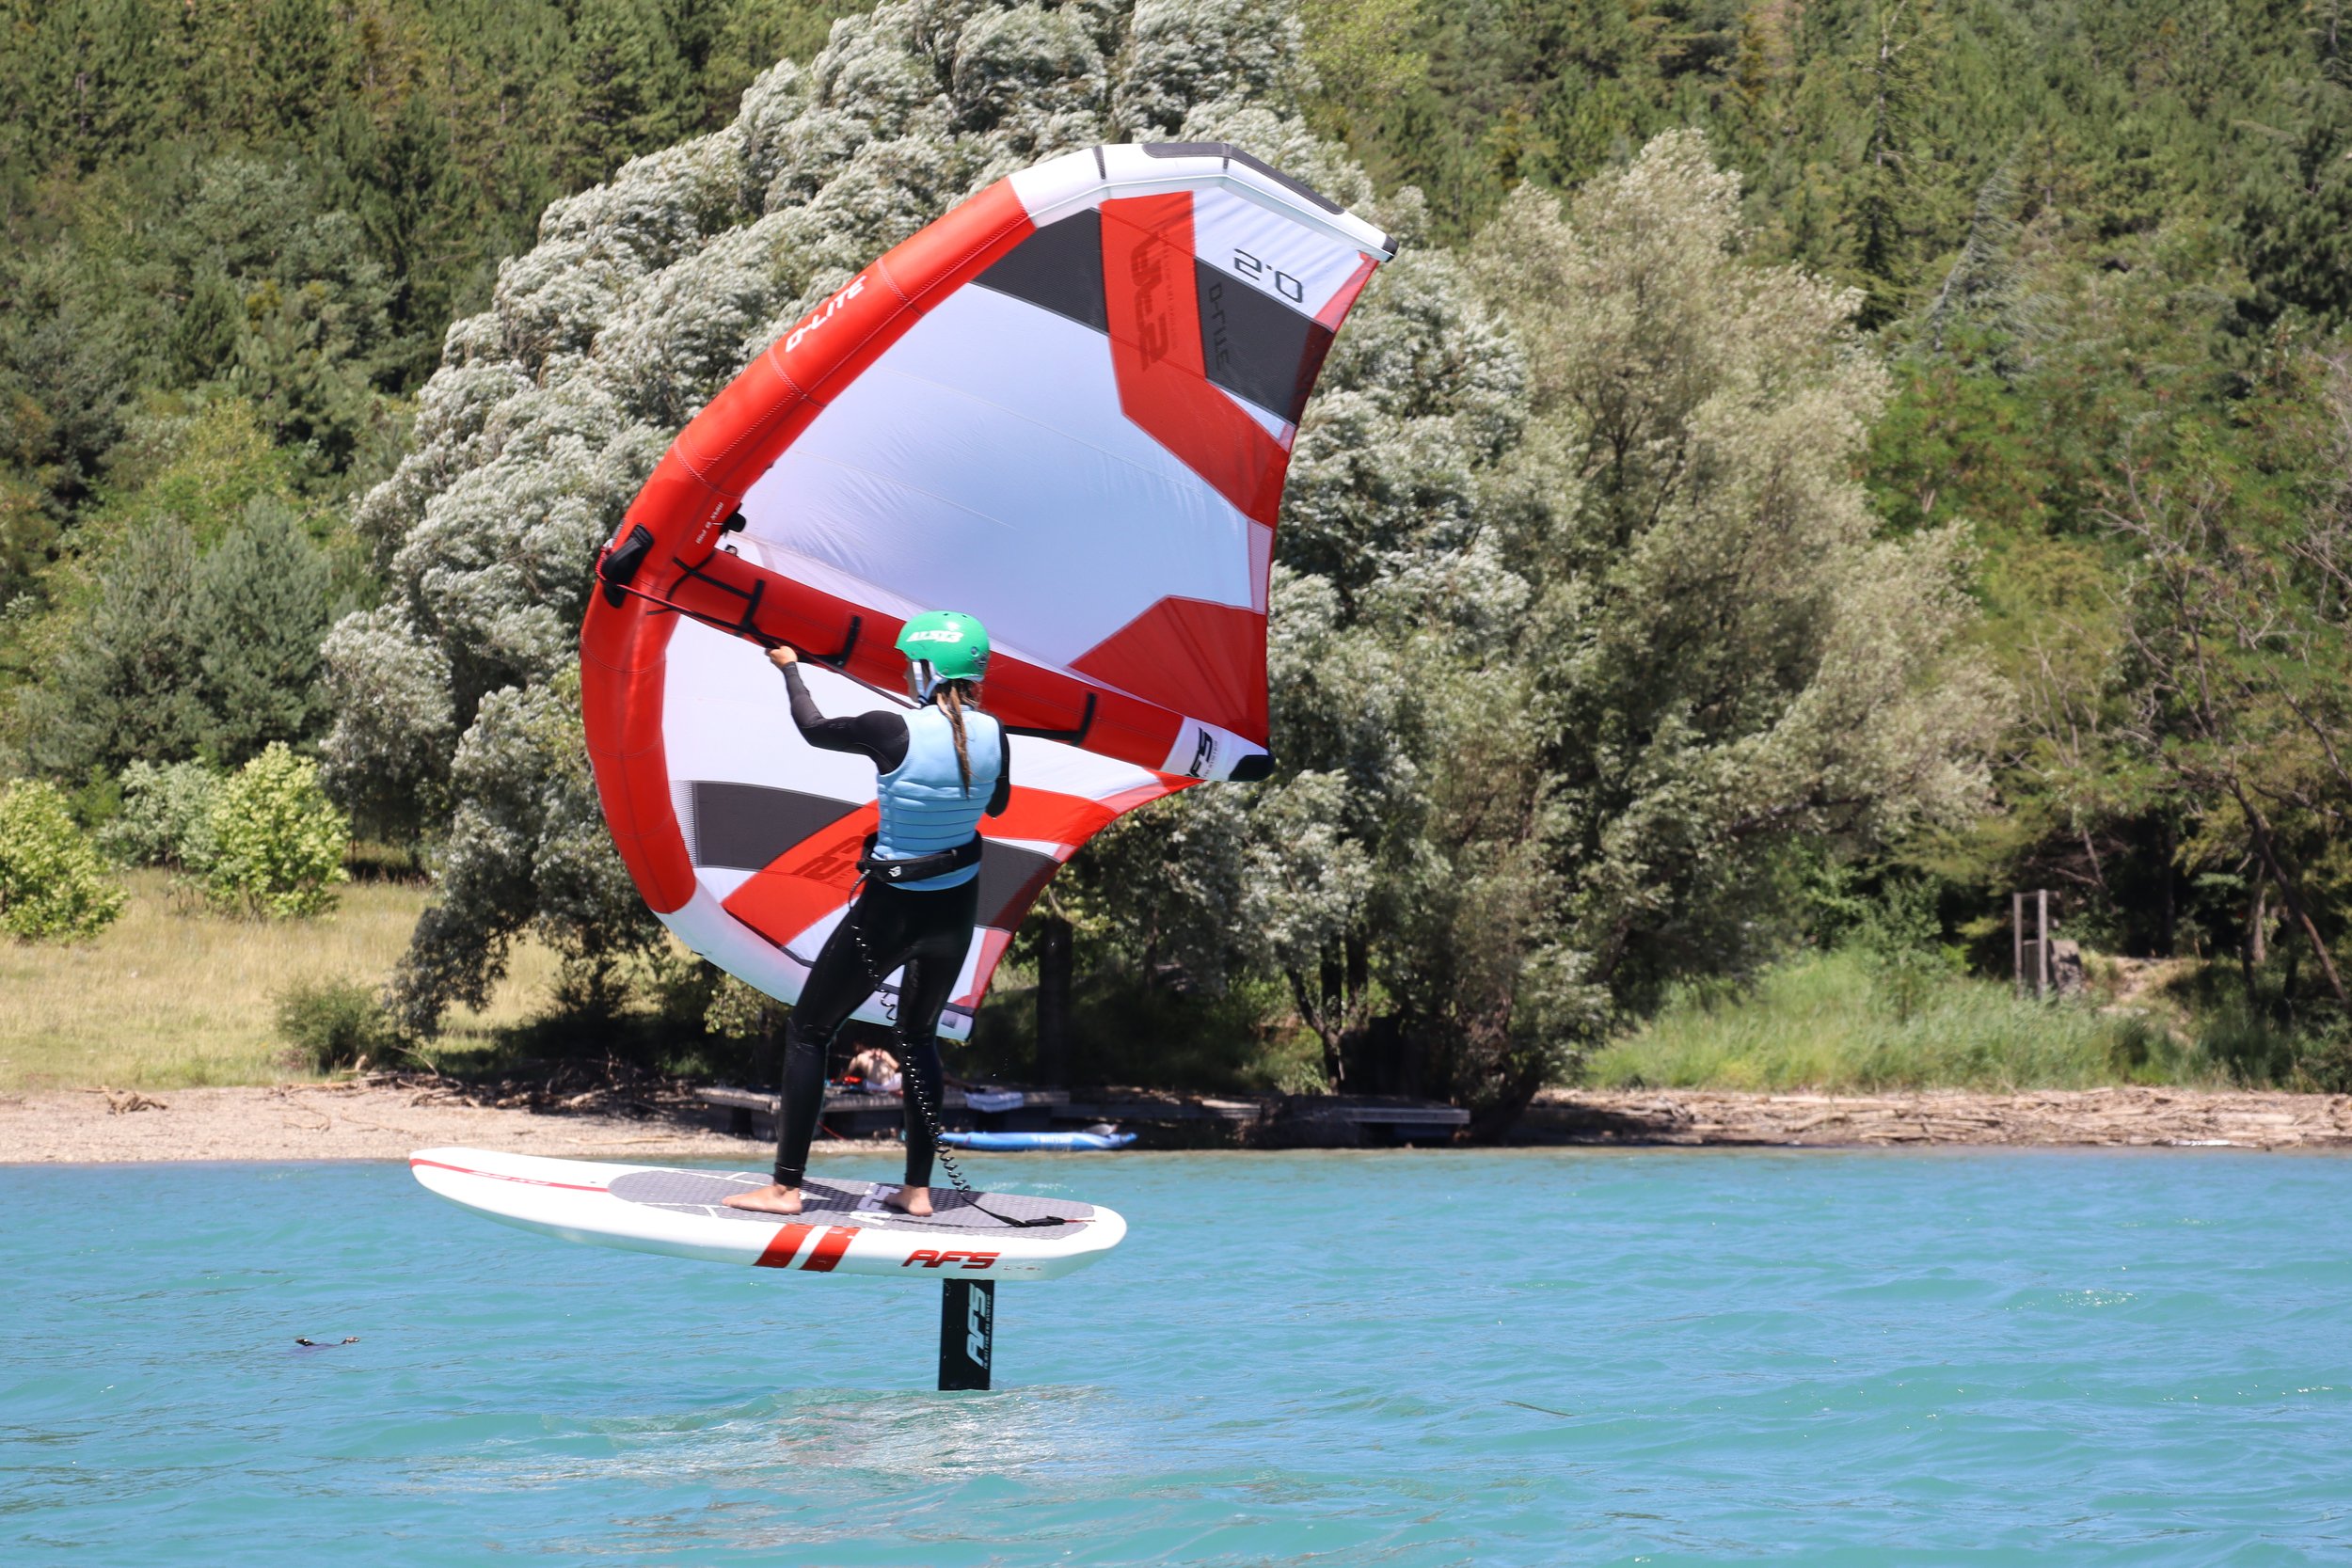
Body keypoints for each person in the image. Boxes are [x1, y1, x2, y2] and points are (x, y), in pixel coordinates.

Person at [724, 610, 1009, 1219]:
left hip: (892, 911)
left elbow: (814, 726)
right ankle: (918, 1190)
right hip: (954, 911)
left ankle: (785, 1187)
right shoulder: (995, 734)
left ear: (927, 670)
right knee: (917, 1035)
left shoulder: (892, 728)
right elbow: (1000, 804)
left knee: (809, 1029)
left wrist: (791, 668)